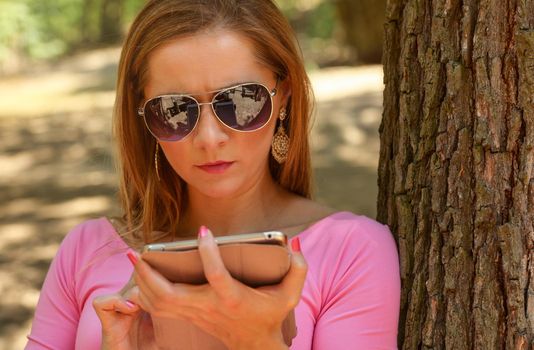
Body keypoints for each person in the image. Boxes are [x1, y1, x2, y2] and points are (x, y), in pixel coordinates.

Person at [25, 0, 401, 349]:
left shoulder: (353, 251)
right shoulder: (86, 249)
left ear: (282, 96)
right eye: (175, 110)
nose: (209, 138)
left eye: (239, 102)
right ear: (144, 117)